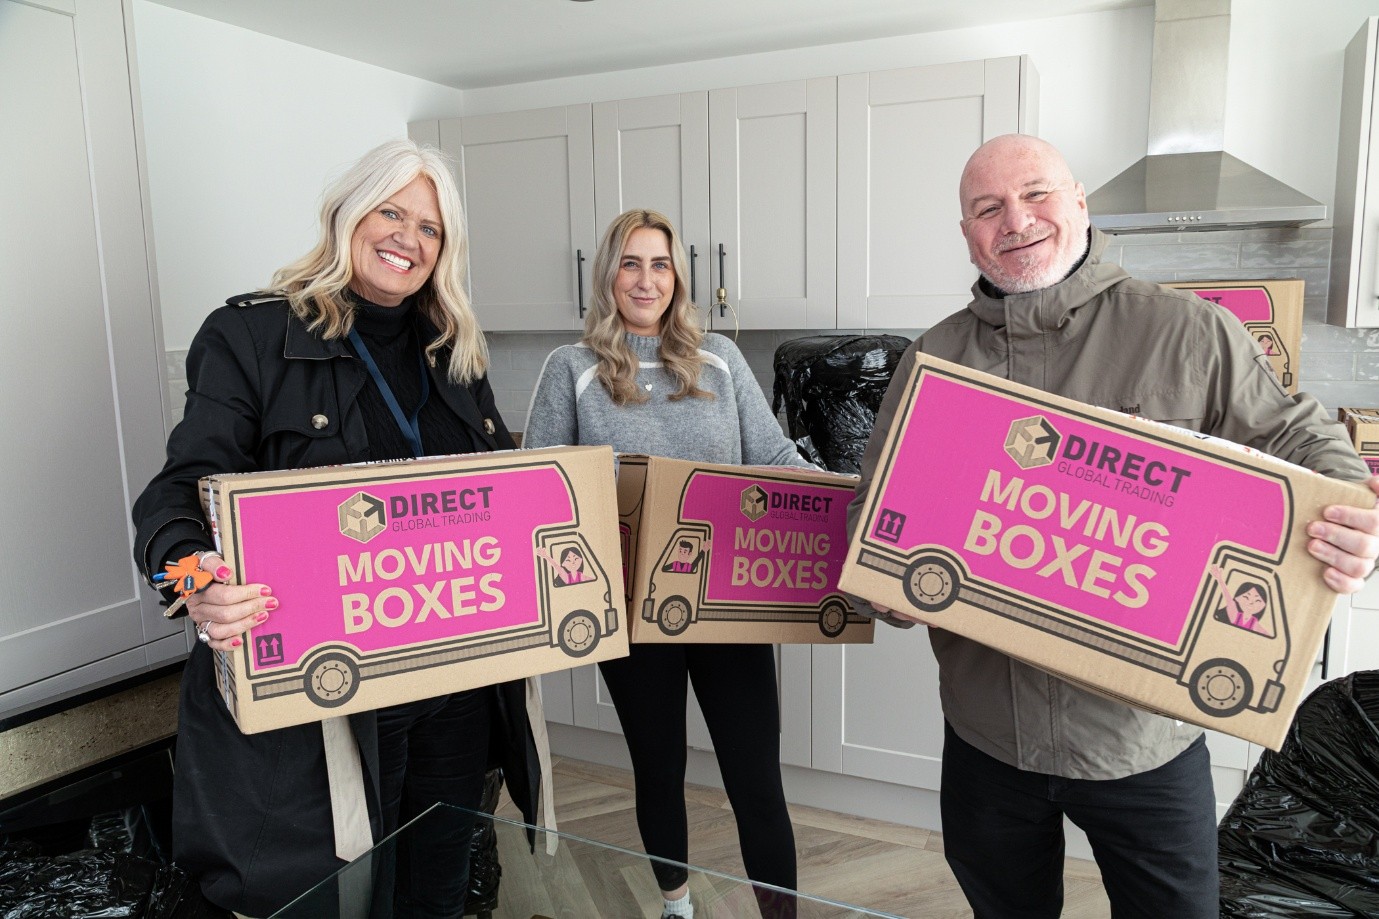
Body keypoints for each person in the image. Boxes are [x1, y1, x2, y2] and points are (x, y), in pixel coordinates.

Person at [846, 134, 1379, 919]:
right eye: (987, 208)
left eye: (1036, 194)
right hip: (987, 740)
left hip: (1142, 742)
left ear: (1079, 202)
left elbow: (1304, 439)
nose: (1015, 220)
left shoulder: (1183, 331)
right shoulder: (934, 358)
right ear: (966, 233)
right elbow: (873, 514)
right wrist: (884, 583)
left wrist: (1351, 514)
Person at [131, 139, 543, 918]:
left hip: (453, 680)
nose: (407, 238)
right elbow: (178, 490)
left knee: (440, 881)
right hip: (335, 696)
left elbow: (498, 495)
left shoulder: (453, 349)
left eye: (430, 228)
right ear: (347, 213)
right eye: (391, 211)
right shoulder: (252, 336)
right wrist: (193, 580)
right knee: (351, 895)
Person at [523, 209, 809, 919]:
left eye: (659, 263)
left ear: (678, 274)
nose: (645, 279)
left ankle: (781, 915)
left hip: (729, 603)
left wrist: (831, 497)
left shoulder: (717, 356)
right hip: (629, 609)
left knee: (756, 780)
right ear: (605, 275)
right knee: (659, 769)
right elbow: (540, 484)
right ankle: (675, 906)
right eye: (629, 263)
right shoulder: (572, 369)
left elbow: (771, 457)